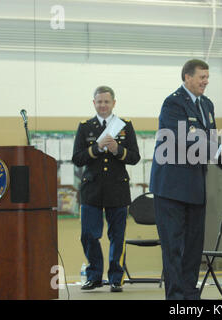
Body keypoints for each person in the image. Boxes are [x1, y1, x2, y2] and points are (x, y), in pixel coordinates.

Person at [149, 59, 222, 300]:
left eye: (208, 77)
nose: (206, 82)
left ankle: (190, 295)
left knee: (194, 247)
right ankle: (176, 298)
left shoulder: (207, 104)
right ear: (187, 77)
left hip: (195, 186)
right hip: (171, 188)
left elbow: (211, 142)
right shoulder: (173, 103)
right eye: (202, 77)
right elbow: (182, 139)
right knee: (173, 247)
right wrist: (219, 153)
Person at [72, 85, 141, 293]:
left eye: (106, 102)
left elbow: (135, 157)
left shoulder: (125, 126)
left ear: (113, 103)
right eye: (99, 102)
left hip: (117, 189)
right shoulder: (85, 127)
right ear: (94, 103)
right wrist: (96, 147)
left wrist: (117, 150)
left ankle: (115, 278)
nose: (103, 105)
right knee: (89, 235)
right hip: (91, 190)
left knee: (117, 236)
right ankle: (94, 276)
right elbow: (77, 159)